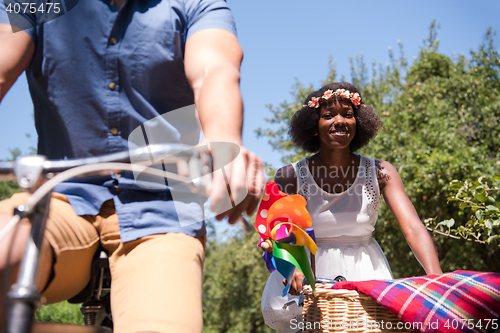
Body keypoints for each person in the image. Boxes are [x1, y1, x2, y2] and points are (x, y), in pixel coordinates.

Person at [0, 0, 264, 332]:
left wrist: (225, 142)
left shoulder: (194, 4)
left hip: (163, 207)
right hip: (59, 200)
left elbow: (215, 69)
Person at [261, 82, 443, 333]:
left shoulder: (381, 172)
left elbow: (412, 226)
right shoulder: (289, 176)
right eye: (328, 115)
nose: (340, 121)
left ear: (359, 124)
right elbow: (276, 232)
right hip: (308, 274)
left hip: (367, 272)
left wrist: (436, 279)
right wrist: (291, 266)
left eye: (348, 114)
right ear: (313, 127)